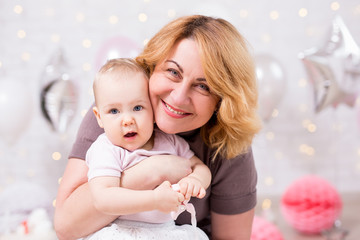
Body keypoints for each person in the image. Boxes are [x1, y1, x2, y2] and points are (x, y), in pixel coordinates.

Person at [54, 15, 262, 240]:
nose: (179, 97)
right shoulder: (115, 114)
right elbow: (66, 227)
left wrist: (194, 179)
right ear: (152, 67)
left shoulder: (228, 142)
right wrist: (153, 171)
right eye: (173, 72)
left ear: (222, 101)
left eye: (203, 86)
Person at [83, 58, 210, 239]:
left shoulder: (169, 142)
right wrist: (155, 200)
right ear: (99, 117)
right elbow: (103, 198)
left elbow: (199, 166)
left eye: (137, 107)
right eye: (114, 111)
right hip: (123, 230)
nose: (127, 120)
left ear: (152, 110)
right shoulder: (106, 149)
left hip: (166, 231)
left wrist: (196, 179)